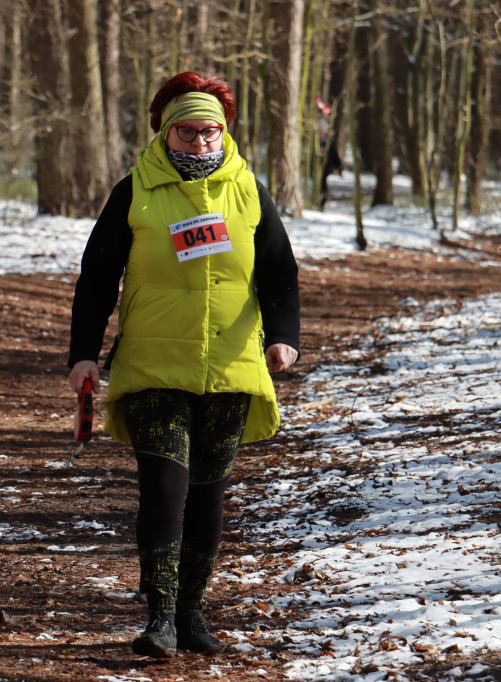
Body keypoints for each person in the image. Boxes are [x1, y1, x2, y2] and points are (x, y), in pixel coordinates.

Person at [66, 72, 301, 659]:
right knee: (165, 489)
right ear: (166, 134)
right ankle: (160, 616)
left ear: (224, 133)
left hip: (230, 362)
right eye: (188, 131)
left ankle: (193, 611)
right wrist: (83, 355)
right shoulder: (135, 190)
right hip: (153, 361)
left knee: (208, 493)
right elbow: (97, 277)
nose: (200, 141)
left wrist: (284, 337)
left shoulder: (247, 188)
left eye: (210, 131)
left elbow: (279, 271)